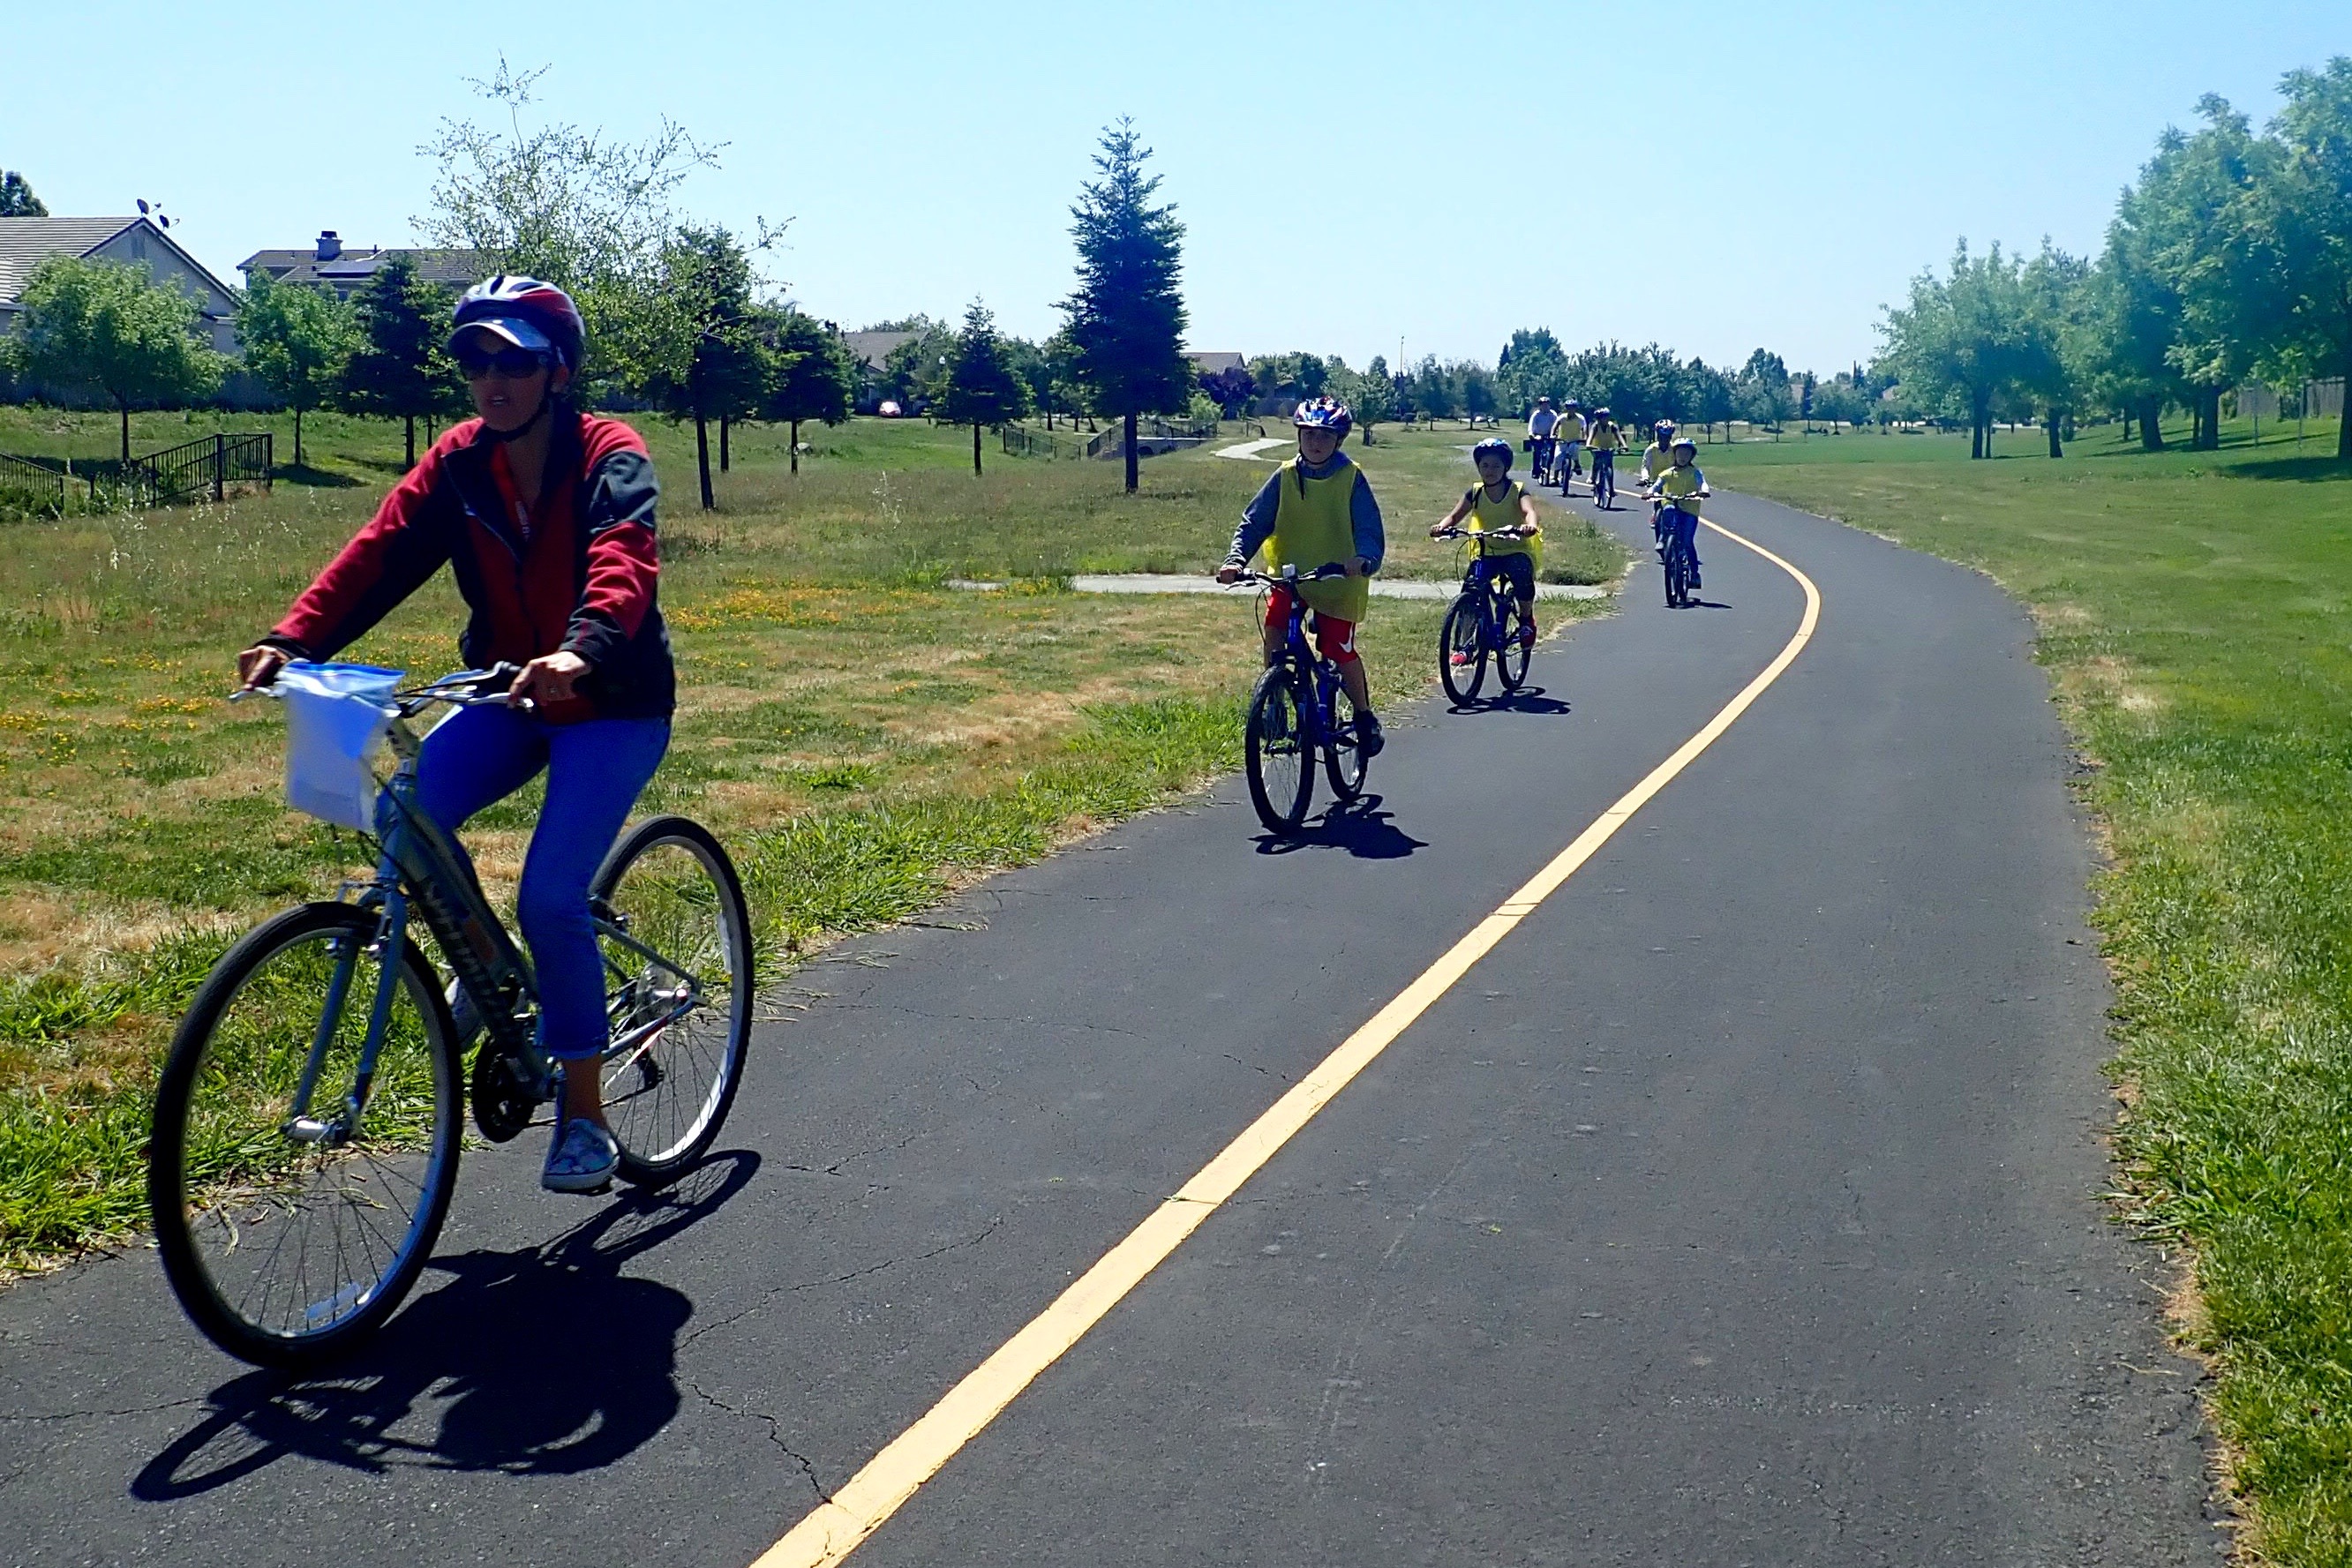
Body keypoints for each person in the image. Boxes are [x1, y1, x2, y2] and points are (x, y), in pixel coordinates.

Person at [235, 276, 673, 1197]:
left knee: (550, 896)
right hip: (510, 690)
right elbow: (379, 552)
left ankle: (584, 1116)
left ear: (558, 372)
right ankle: (492, 974)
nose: (491, 380)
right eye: (475, 362)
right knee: (406, 820)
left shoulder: (610, 452)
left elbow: (623, 559)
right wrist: (294, 640)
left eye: (513, 361)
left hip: (610, 699)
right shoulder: (460, 461)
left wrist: (582, 649)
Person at [1217, 396, 1387, 756]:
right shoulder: (1285, 476)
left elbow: (1368, 528)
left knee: (1338, 649)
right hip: (1290, 577)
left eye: (1325, 435)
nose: (1315, 442)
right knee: (1275, 627)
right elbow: (1254, 522)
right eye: (1308, 434)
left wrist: (1365, 559)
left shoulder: (1351, 477)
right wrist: (1235, 560)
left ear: (1338, 440)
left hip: (1338, 580)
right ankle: (1275, 702)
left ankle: (1363, 715)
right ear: (1298, 436)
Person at [1431, 435, 1544, 656]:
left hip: (1515, 549)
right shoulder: (1475, 492)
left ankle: (1526, 619)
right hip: (1487, 551)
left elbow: (1529, 511)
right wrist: (1441, 527)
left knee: (1521, 574)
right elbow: (1454, 516)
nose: (1490, 470)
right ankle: (1464, 645)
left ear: (1505, 467)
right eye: (1485, 465)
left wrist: (1530, 526)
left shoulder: (1517, 490)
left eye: (1496, 466)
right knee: (1471, 589)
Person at [1653, 435, 1710, 589]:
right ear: (1675, 454)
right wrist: (1649, 492)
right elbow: (1657, 485)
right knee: (1668, 510)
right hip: (1671, 503)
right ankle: (1664, 539)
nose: (1683, 457)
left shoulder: (1695, 472)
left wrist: (1704, 491)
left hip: (1690, 509)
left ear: (1691, 456)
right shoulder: (1668, 473)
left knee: (1687, 541)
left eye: (1687, 454)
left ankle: (1694, 574)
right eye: (1680, 453)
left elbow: (1703, 484)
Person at [1640, 419, 1680, 549]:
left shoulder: (1675, 449)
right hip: (1656, 482)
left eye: (1667, 437)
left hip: (1672, 483)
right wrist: (1645, 478)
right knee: (1658, 506)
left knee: (1676, 508)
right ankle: (1660, 534)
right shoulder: (1651, 449)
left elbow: (1680, 464)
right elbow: (1645, 466)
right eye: (1662, 437)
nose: (1664, 440)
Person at [1585, 406, 1624, 499]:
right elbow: (1590, 437)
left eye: (1607, 416)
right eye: (1604, 417)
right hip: (1597, 448)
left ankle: (1611, 489)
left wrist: (1624, 445)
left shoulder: (1612, 426)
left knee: (1609, 467)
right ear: (1599, 418)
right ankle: (1593, 477)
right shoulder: (1595, 426)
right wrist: (1588, 444)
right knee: (1597, 461)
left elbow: (1619, 436)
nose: (1606, 419)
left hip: (1609, 448)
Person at [1526, 395, 1559, 486]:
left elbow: (1557, 424)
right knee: (1537, 451)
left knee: (1552, 449)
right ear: (1540, 406)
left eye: (1547, 404)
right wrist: (1531, 434)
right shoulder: (1536, 415)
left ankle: (1549, 462)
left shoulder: (1553, 414)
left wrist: (1555, 434)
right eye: (1543, 405)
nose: (1545, 406)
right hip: (1538, 435)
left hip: (1549, 435)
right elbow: (1531, 426)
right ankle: (1536, 470)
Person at [1555, 400, 1589, 486]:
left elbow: (1584, 428)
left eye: (1573, 408)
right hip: (1562, 441)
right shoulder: (1562, 417)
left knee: (1574, 450)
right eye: (1569, 408)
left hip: (1574, 440)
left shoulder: (1580, 418)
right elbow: (1555, 426)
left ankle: (1577, 464)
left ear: (1575, 408)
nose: (1571, 410)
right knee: (1558, 457)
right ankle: (1555, 477)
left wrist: (1585, 438)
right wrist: (1552, 435)